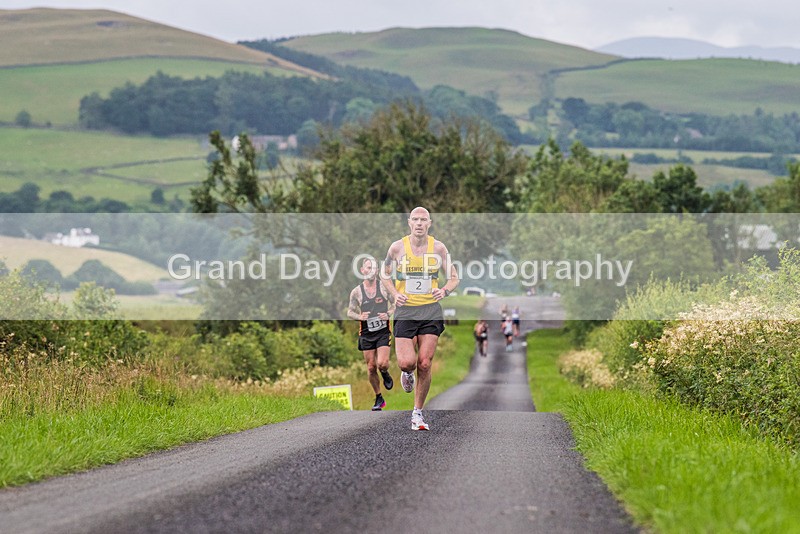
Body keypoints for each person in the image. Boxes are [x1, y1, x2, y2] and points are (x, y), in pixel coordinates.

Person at [382, 206, 459, 431]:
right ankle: (406, 373)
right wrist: (395, 294)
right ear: (409, 223)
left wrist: (444, 291)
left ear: (429, 223)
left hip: (430, 311)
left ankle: (417, 414)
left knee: (425, 363)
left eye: (422, 220)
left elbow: (454, 277)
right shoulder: (397, 248)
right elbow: (384, 274)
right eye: (415, 219)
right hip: (406, 311)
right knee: (408, 362)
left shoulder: (439, 248)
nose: (418, 223)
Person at [347, 257, 395, 411]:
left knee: (382, 363)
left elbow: (396, 303)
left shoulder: (384, 287)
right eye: (368, 268)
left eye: (373, 268)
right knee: (371, 367)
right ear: (362, 270)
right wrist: (359, 316)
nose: (370, 271)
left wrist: (388, 313)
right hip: (366, 332)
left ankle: (385, 372)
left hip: (382, 331)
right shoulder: (356, 292)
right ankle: (379, 397)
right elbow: (350, 311)